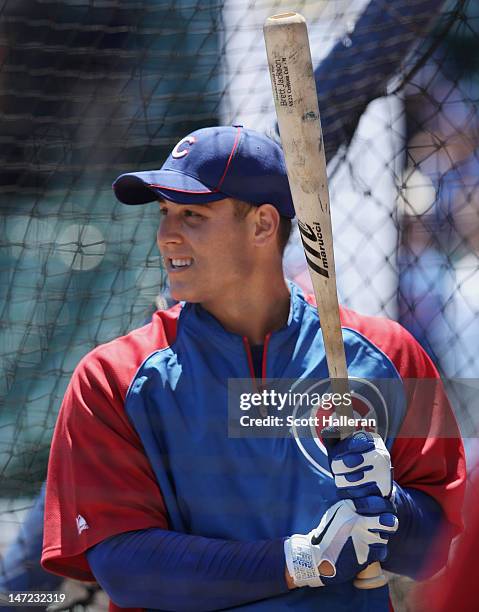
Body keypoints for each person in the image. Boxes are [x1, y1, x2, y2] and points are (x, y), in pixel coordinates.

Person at [41, 125, 465, 612]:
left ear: (263, 225)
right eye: (164, 213)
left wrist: (390, 508)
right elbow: (127, 568)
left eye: (192, 215)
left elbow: (440, 549)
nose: (165, 236)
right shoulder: (114, 377)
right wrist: (299, 561)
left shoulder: (386, 353)